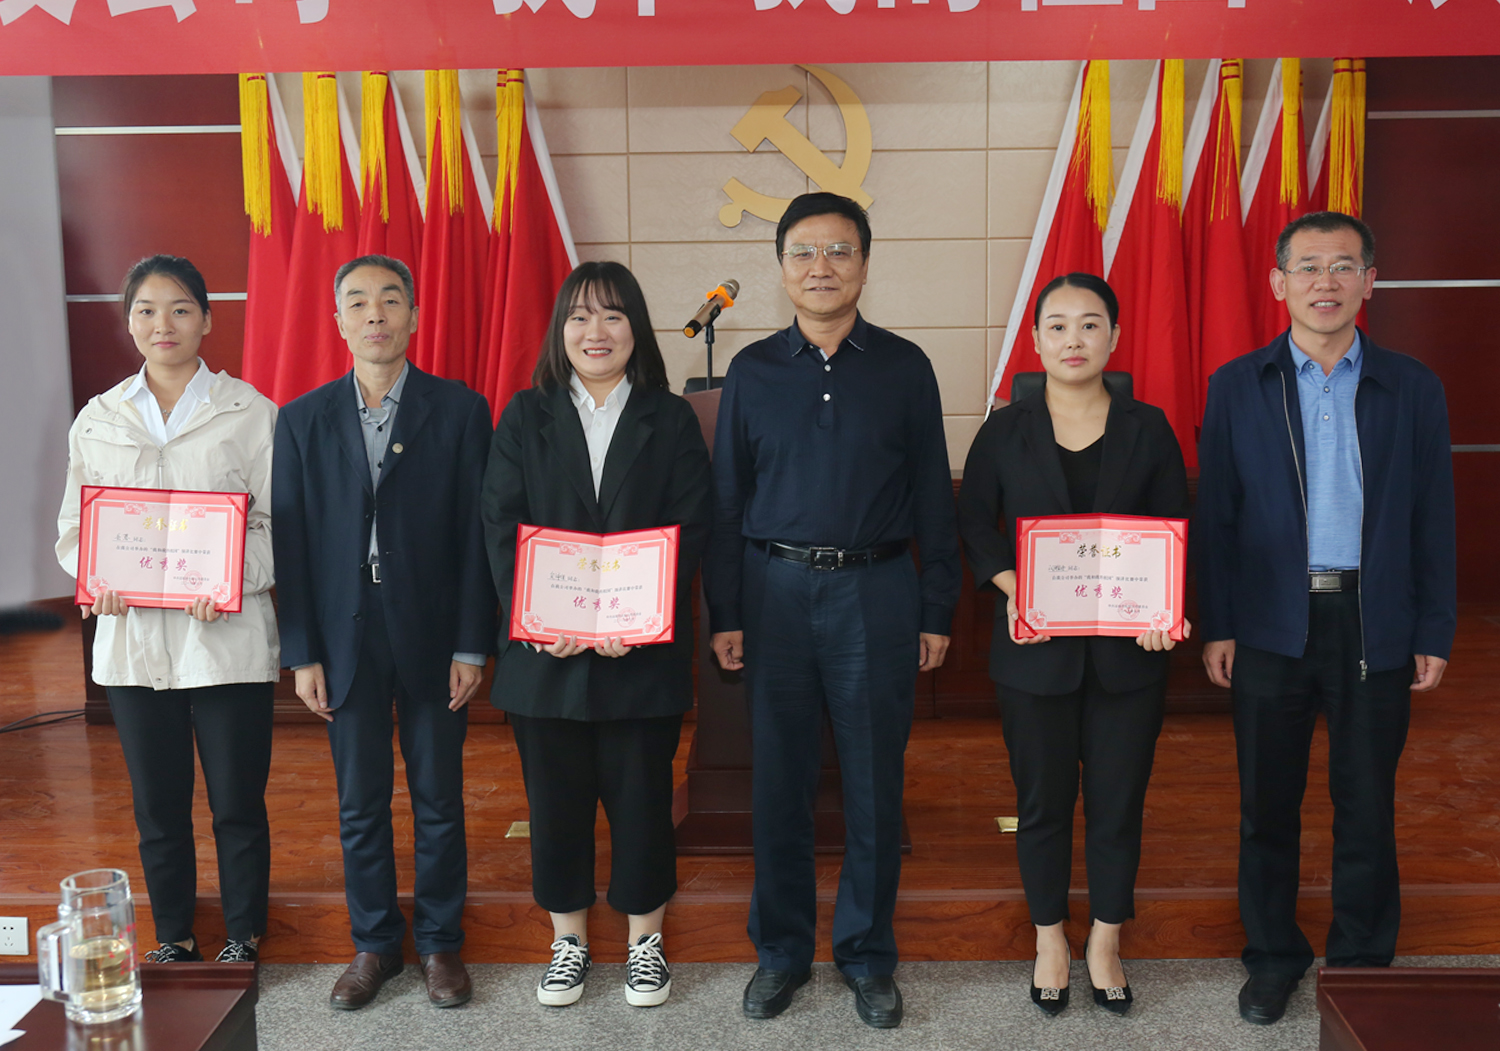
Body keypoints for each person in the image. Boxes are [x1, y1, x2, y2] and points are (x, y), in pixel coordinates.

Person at [705, 192, 961, 1029]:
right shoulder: (751, 371)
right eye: (804, 252)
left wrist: (936, 607)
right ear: (782, 267)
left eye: (840, 250)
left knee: (874, 785)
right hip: (773, 592)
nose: (822, 267)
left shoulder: (905, 366)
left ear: (864, 263)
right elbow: (727, 499)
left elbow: (934, 496)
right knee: (778, 782)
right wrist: (726, 610)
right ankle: (780, 952)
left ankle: (866, 955)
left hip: (876, 591)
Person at [1196, 212, 1456, 1025]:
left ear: (1370, 282)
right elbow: (1218, 516)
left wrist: (1433, 627)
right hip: (1270, 622)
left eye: (1344, 266)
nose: (1326, 282)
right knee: (1267, 805)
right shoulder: (1238, 384)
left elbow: (1434, 516)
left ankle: (1362, 963)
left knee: (1366, 801)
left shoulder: (1412, 386)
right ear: (1279, 283)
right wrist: (1218, 622)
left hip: (1374, 620)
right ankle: (1273, 955)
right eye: (1308, 266)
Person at [956, 273, 1189, 1017]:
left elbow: (1177, 527)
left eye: (1090, 324)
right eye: (1057, 326)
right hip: (1036, 652)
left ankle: (1107, 939)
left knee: (1118, 804)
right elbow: (973, 524)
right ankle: (1050, 936)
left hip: (1130, 655)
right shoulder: (1003, 430)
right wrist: (1012, 587)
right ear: (1035, 341)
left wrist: (1166, 608)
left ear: (1115, 337)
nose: (1074, 339)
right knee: (1043, 803)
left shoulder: (1149, 427)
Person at [481, 261, 712, 1009]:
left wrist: (642, 619)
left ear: (635, 328)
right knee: (556, 806)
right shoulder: (525, 415)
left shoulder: (669, 417)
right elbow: (501, 524)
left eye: (613, 315)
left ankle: (646, 942)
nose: (596, 331)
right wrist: (537, 618)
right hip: (546, 657)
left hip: (639, 658)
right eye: (580, 316)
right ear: (561, 330)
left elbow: (690, 525)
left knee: (642, 802)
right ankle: (568, 943)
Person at [271, 254, 495, 1010]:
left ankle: (439, 944)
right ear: (338, 320)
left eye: (391, 299)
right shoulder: (301, 419)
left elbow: (477, 537)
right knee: (359, 803)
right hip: (345, 637)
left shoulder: (460, 410)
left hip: (433, 632)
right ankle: (374, 944)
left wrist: (472, 643)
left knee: (439, 799)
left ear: (414, 316)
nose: (376, 313)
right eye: (359, 301)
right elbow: (292, 544)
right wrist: (302, 652)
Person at [56, 254, 279, 964]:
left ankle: (243, 935)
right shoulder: (99, 418)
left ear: (207, 320)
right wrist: (96, 578)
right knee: (158, 806)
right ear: (129, 322)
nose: (164, 324)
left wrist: (229, 579)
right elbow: (75, 529)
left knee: (236, 802)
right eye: (147, 310)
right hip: (133, 641)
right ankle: (174, 938)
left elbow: (277, 526)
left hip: (225, 636)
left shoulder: (251, 412)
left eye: (181, 309)